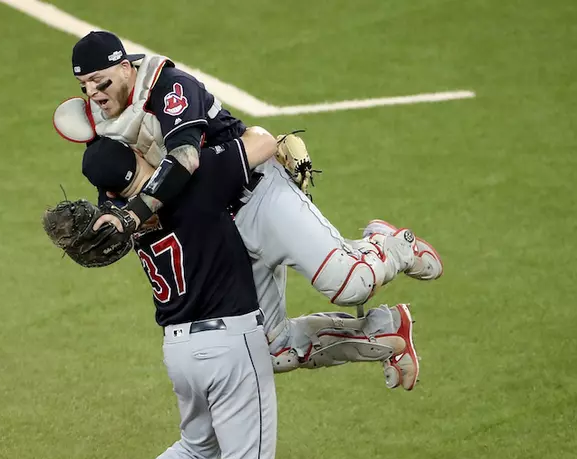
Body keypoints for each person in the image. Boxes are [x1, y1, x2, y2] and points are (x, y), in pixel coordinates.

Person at [56, 30, 441, 388]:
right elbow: (130, 204)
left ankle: (390, 243)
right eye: (84, 86)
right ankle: (384, 331)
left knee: (350, 282)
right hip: (221, 230)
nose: (94, 94)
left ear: (125, 68)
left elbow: (186, 157)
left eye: (101, 81)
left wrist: (134, 213)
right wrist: (111, 223)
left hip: (256, 191)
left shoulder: (168, 85)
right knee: (274, 349)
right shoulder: (103, 134)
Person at [76, 127, 295, 459]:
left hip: (180, 348)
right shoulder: (195, 187)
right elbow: (262, 140)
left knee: (196, 449)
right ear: (135, 159)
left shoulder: (122, 220)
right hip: (231, 344)